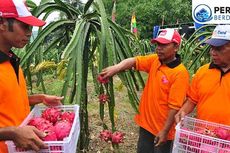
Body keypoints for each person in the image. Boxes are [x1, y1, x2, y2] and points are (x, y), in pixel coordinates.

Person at [99, 28, 189, 153]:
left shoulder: (180, 73)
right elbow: (134, 61)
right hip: (146, 125)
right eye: (157, 44)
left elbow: (175, 107)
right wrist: (116, 67)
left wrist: (164, 131)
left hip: (162, 130)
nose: (159, 48)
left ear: (176, 47)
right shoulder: (155, 61)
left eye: (164, 45)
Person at [0, 0, 63, 152]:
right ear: (1, 23)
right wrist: (12, 133)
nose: (29, 32)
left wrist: (39, 98)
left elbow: (7, 101)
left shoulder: (10, 60)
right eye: (24, 25)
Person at [175, 24, 230, 126]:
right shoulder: (203, 71)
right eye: (212, 48)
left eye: (219, 48)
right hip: (204, 136)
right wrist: (183, 111)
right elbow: (192, 100)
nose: (213, 52)